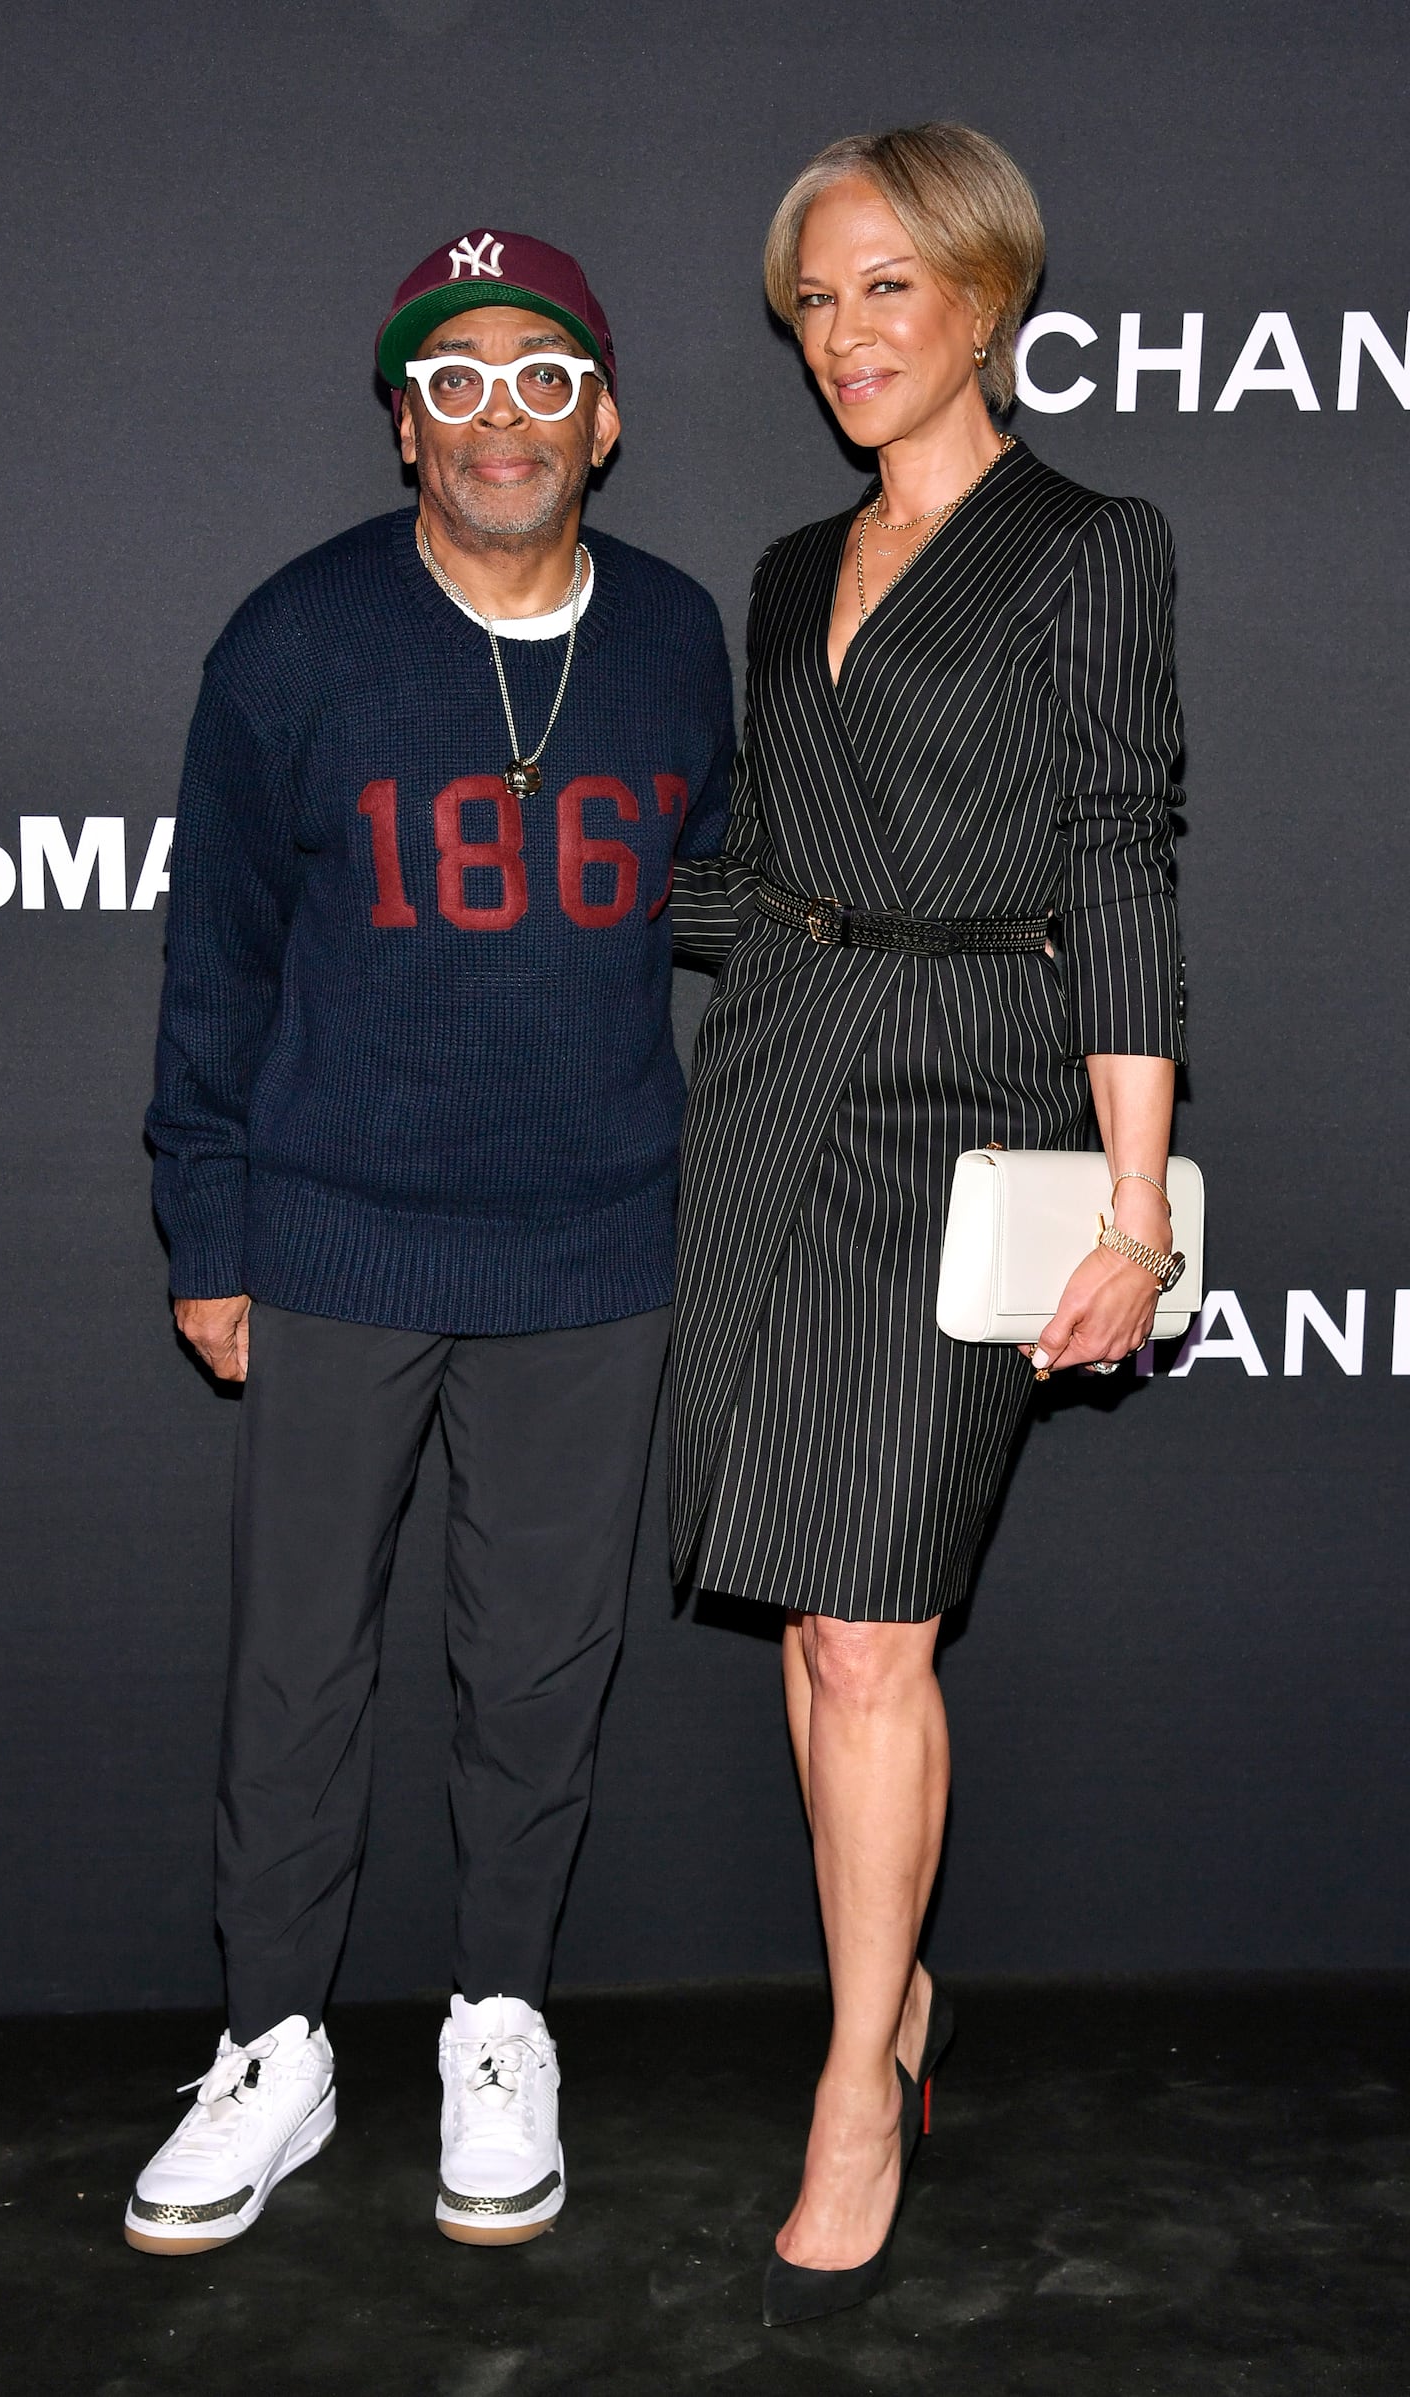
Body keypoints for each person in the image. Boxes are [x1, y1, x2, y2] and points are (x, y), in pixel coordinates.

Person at [133, 230, 733, 2256]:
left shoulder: (668, 639)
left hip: (591, 1242)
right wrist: (203, 1220)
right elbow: (209, 960)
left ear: (606, 419)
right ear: (403, 423)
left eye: (539, 378)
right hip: (329, 1235)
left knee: (538, 1665)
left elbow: (719, 901)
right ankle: (272, 2044)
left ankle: (496, 2019)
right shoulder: (291, 640)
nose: (498, 416)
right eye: (452, 381)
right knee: (296, 1671)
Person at [668, 125, 1187, 2326]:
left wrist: (1137, 1201)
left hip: (966, 1089)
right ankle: (897, 1994)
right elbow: (739, 847)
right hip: (773, 1075)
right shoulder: (788, 568)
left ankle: (854, 2085)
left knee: (876, 1626)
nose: (843, 336)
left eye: (884, 288)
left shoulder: (1088, 544)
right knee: (806, 1616)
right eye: (811, 301)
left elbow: (1123, 864)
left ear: (980, 296)